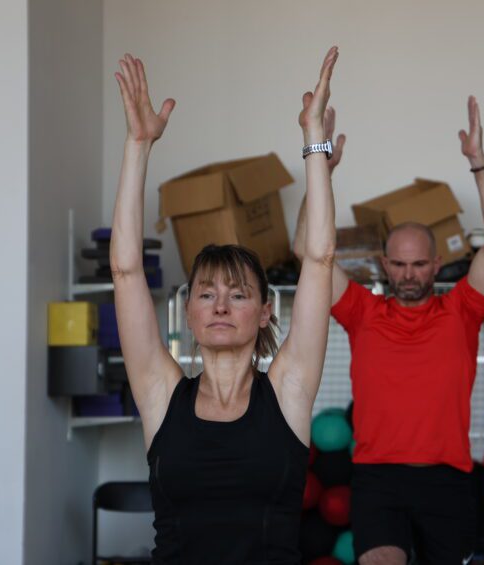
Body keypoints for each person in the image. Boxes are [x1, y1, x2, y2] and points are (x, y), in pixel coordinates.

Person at [110, 47, 339, 563]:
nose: (219, 306)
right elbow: (125, 270)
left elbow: (320, 260)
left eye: (238, 295)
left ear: (264, 312)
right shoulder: (159, 393)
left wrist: (313, 142)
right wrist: (138, 145)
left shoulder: (288, 392)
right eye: (206, 294)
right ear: (188, 311)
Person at [292, 95, 484, 564]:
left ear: (436, 264)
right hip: (378, 479)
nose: (409, 274)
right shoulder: (361, 312)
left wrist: (479, 163)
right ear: (383, 265)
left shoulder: (462, 311)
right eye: (399, 264)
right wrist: (322, 172)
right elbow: (305, 250)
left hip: (449, 480)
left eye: (419, 264)